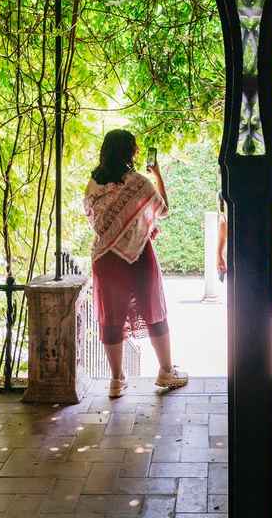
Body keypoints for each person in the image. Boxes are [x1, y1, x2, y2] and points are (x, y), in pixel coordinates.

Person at [82, 129, 188, 398]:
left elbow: (97, 221)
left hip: (105, 259)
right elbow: (162, 210)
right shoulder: (138, 182)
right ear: (129, 152)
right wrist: (158, 175)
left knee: (111, 318)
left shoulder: (92, 185)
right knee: (154, 310)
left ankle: (116, 380)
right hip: (138, 256)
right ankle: (166, 371)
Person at [214, 202, 272, 308]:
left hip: (268, 268)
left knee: (266, 313)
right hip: (239, 267)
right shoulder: (224, 197)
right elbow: (223, 221)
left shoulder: (266, 204)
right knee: (238, 311)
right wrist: (219, 253)